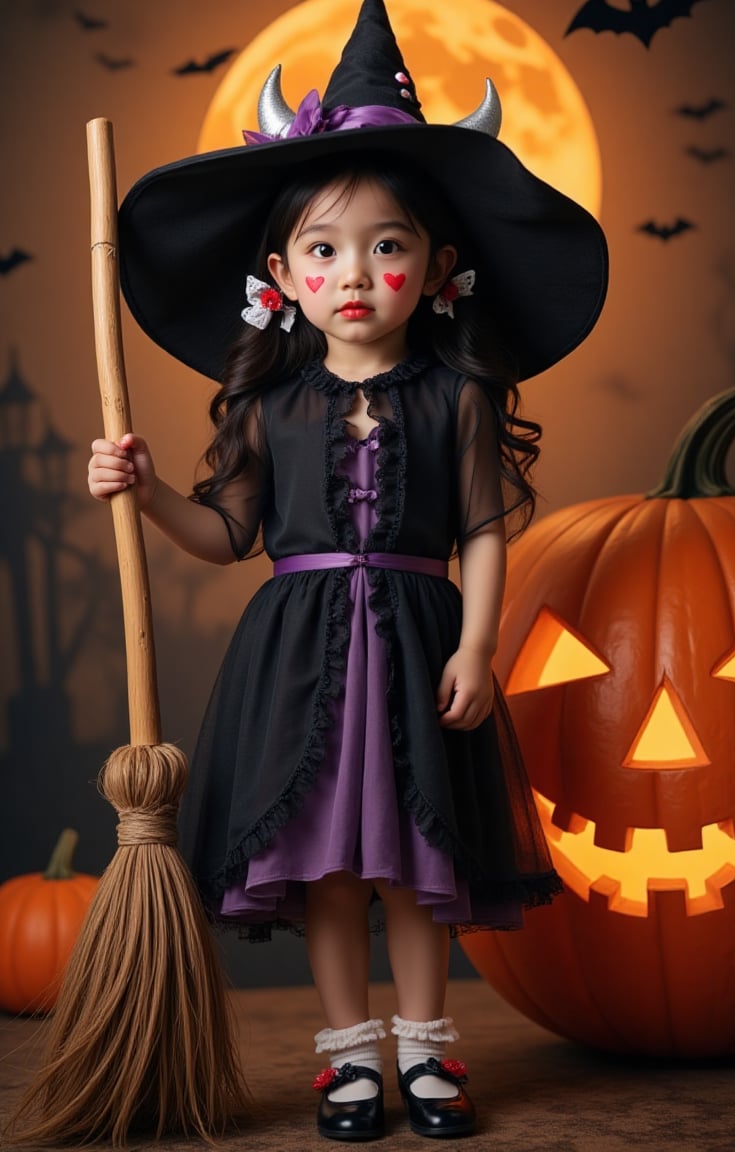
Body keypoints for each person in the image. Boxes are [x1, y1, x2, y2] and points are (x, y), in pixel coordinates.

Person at [88, 0, 607, 1140]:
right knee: (324, 866)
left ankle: (426, 1053)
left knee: (417, 865)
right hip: (300, 658)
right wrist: (144, 491)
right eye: (325, 249)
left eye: (389, 245)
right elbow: (229, 534)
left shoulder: (456, 397)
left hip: (420, 645)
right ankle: (350, 1059)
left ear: (436, 267)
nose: (356, 271)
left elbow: (480, 528)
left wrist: (476, 643)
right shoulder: (272, 406)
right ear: (283, 273)